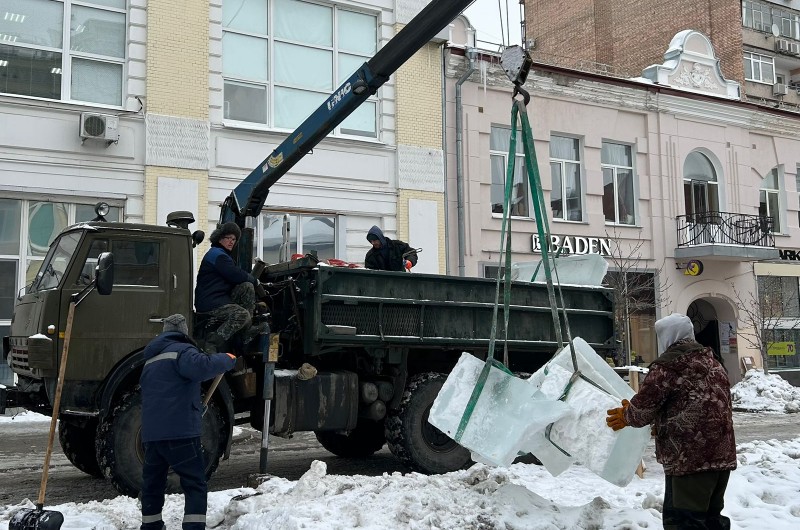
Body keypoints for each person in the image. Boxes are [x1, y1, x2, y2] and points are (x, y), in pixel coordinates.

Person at [606, 313, 736, 530]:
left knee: (684, 522)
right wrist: (665, 423)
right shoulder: (713, 362)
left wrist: (626, 415)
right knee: (712, 519)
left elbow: (643, 409)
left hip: (689, 460)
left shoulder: (669, 365)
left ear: (668, 336)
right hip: (721, 457)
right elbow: (701, 404)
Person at [139, 314, 236, 530]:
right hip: (180, 433)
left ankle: (151, 526)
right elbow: (204, 366)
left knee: (153, 485)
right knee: (194, 484)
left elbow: (164, 394)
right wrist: (227, 359)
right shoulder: (182, 351)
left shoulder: (151, 360)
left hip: (153, 436)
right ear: (183, 332)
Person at [194, 222, 260, 353]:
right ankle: (213, 341)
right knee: (242, 314)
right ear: (219, 238)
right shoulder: (217, 255)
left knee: (247, 287)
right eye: (228, 238)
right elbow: (235, 274)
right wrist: (255, 281)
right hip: (210, 303)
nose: (231, 242)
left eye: (234, 239)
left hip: (218, 299)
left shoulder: (221, 255)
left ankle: (246, 332)